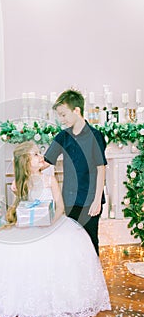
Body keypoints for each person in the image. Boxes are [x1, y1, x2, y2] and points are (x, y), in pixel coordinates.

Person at [0, 141, 111, 317]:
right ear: (25, 162)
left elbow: (60, 207)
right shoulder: (20, 183)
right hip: (27, 227)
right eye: (35, 154)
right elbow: (22, 208)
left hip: (52, 225)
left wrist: (52, 221)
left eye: (39, 152)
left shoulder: (49, 179)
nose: (41, 156)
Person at [44, 89, 107, 256]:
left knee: (90, 241)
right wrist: (22, 173)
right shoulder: (63, 137)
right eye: (59, 115)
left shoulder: (96, 136)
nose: (61, 119)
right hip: (69, 199)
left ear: (77, 110)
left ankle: (93, 280)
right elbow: (45, 161)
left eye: (64, 115)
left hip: (90, 200)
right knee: (72, 242)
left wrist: (97, 201)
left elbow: (101, 168)